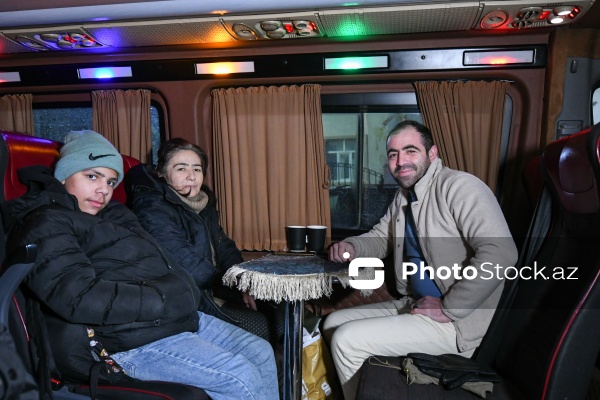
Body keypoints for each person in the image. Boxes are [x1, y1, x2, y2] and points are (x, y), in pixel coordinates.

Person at [0, 130, 279, 400]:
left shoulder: (116, 216)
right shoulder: (45, 222)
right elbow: (78, 296)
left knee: (260, 351)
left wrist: (184, 296)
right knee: (240, 376)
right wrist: (162, 300)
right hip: (127, 340)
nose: (103, 190)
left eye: (111, 182)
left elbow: (166, 264)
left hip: (175, 319)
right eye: (92, 176)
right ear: (64, 175)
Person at [323, 120, 518, 400]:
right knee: (332, 324)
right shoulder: (404, 197)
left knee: (347, 341)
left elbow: (501, 252)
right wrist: (351, 247)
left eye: (410, 151)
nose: (401, 161)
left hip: (458, 322)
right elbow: (381, 238)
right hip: (417, 303)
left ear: (432, 153)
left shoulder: (460, 186)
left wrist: (450, 308)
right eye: (393, 154)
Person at [125, 138, 273, 343]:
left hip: (216, 287)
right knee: (260, 325)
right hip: (189, 298)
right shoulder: (151, 206)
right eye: (181, 169)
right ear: (161, 173)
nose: (192, 176)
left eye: (197, 169)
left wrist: (243, 282)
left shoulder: (202, 202)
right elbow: (185, 263)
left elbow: (224, 246)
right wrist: (232, 287)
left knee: (278, 310)